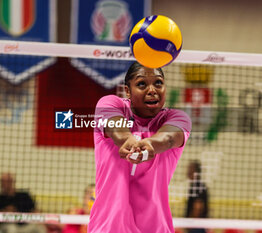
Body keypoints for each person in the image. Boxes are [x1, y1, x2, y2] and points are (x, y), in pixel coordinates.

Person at [88, 61, 192, 233]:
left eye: (158, 82)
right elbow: (116, 128)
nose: (152, 90)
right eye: (142, 84)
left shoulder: (177, 118)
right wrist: (127, 141)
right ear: (127, 91)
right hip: (108, 228)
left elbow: (169, 138)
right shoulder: (109, 104)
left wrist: (149, 145)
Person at [185, 160, 209, 233]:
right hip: (197, 224)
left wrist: (190, 224)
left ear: (196, 172)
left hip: (196, 225)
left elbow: (198, 207)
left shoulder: (197, 186)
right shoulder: (196, 185)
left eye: (190, 169)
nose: (188, 172)